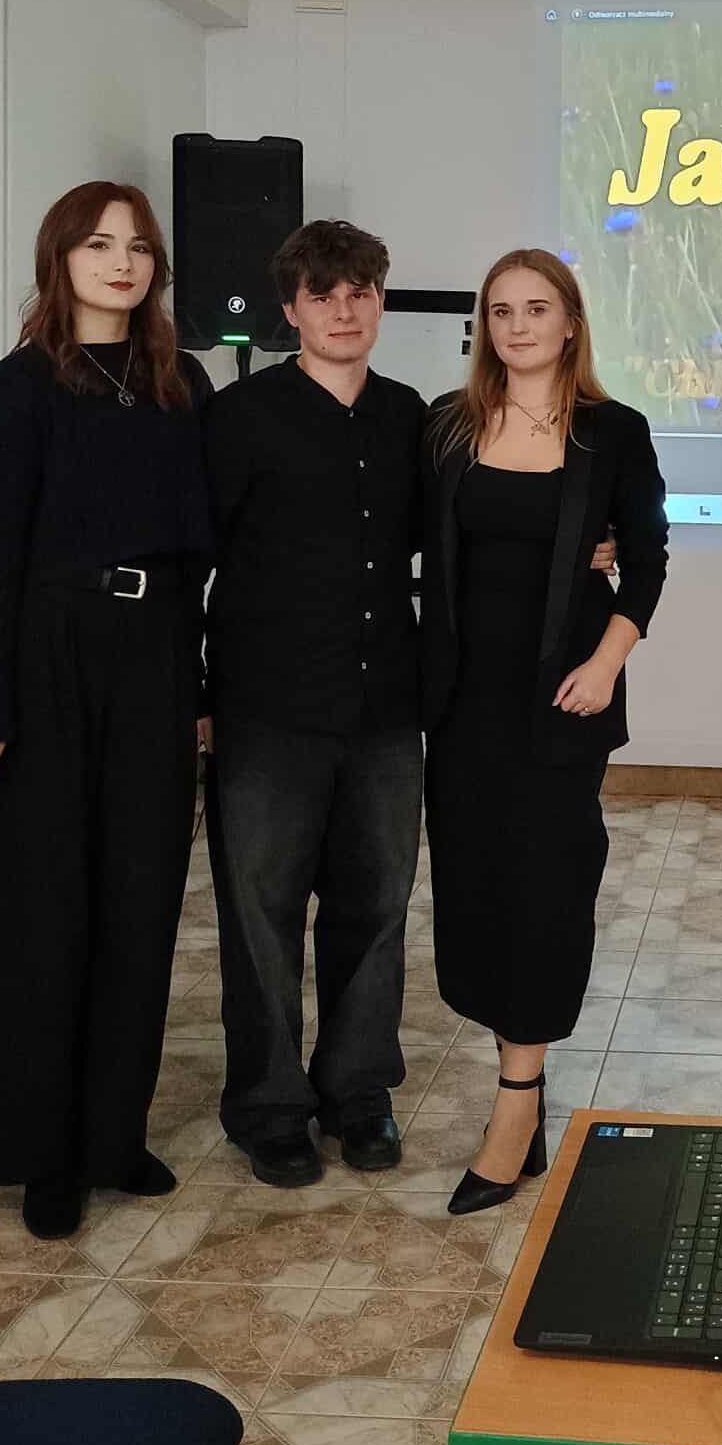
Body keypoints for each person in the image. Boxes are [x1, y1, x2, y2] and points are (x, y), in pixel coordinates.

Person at [203, 221, 622, 1188]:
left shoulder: (420, 422)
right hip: (268, 707)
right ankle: (270, 1108)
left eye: (360, 293)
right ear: (291, 310)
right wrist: (198, 695)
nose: (342, 310)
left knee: (376, 909)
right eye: (321, 295)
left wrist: (586, 546)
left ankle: (358, 1094)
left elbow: (489, 525)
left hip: (390, 708)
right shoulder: (237, 418)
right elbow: (198, 561)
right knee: (261, 916)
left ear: (381, 302)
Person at [0, 182, 213, 1239]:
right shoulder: (23, 383)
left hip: (154, 658)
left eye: (140, 246)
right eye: (101, 243)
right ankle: (43, 1153)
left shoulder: (181, 381)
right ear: (59, 257)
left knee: (139, 902)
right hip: (47, 656)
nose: (123, 261)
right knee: (44, 909)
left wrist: (198, 690)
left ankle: (114, 1135)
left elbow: (204, 551)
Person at [421, 248, 668, 1215]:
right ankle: (519, 1086)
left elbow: (646, 558)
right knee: (478, 893)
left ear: (571, 323)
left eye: (536, 308)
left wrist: (606, 663)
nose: (517, 326)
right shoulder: (448, 425)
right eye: (500, 311)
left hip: (563, 703)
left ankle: (515, 1104)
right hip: (462, 704)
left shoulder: (614, 431)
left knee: (546, 893)